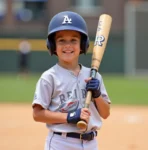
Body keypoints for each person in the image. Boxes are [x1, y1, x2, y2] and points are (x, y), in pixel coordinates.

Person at [32, 11, 111, 150]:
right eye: (61, 40)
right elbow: (37, 114)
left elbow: (105, 113)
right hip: (61, 143)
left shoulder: (94, 76)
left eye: (73, 40)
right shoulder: (49, 77)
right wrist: (69, 116)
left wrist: (97, 95)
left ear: (83, 44)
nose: (68, 45)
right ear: (52, 46)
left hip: (91, 143)